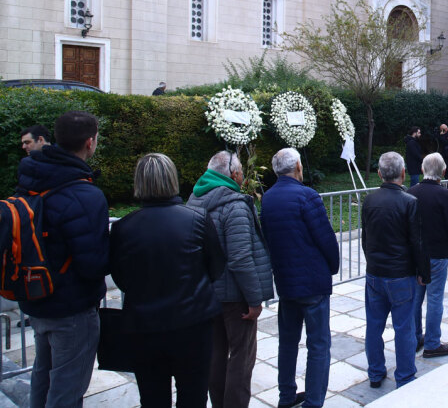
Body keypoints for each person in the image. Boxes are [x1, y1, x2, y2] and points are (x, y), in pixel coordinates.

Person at [110, 153, 225, 407]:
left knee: (153, 398)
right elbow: (216, 265)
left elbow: (121, 277)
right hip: (192, 325)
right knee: (193, 396)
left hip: (145, 328)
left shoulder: (123, 228)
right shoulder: (196, 219)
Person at [16, 110, 109, 408]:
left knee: (42, 376)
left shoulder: (32, 175)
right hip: (72, 310)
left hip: (37, 298)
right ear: (90, 142)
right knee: (67, 388)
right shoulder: (85, 194)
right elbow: (93, 264)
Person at [187, 151, 274, 408]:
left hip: (208, 293)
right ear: (234, 174)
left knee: (216, 354)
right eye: (240, 173)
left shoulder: (194, 200)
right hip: (235, 298)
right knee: (241, 357)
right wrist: (254, 299)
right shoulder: (234, 204)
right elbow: (240, 258)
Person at [261, 148, 339, 408]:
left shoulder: (268, 198)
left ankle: (286, 397)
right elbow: (325, 237)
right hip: (312, 282)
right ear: (297, 167)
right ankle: (314, 401)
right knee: (318, 345)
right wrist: (333, 265)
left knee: (288, 342)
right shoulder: (307, 196)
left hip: (286, 282)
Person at [361, 152, 431, 389]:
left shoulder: (369, 200)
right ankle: (405, 375)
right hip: (401, 275)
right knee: (404, 327)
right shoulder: (409, 202)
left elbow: (365, 238)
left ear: (380, 174)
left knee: (374, 325)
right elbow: (417, 242)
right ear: (403, 173)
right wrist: (424, 273)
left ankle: (375, 372)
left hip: (376, 273)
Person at [409, 153, 448, 358]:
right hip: (438, 254)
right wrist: (447, 245)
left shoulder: (410, 192)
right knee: (435, 299)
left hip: (415, 254)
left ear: (422, 170)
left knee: (415, 299)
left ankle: (414, 339)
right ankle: (431, 343)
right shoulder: (445, 195)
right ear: (443, 172)